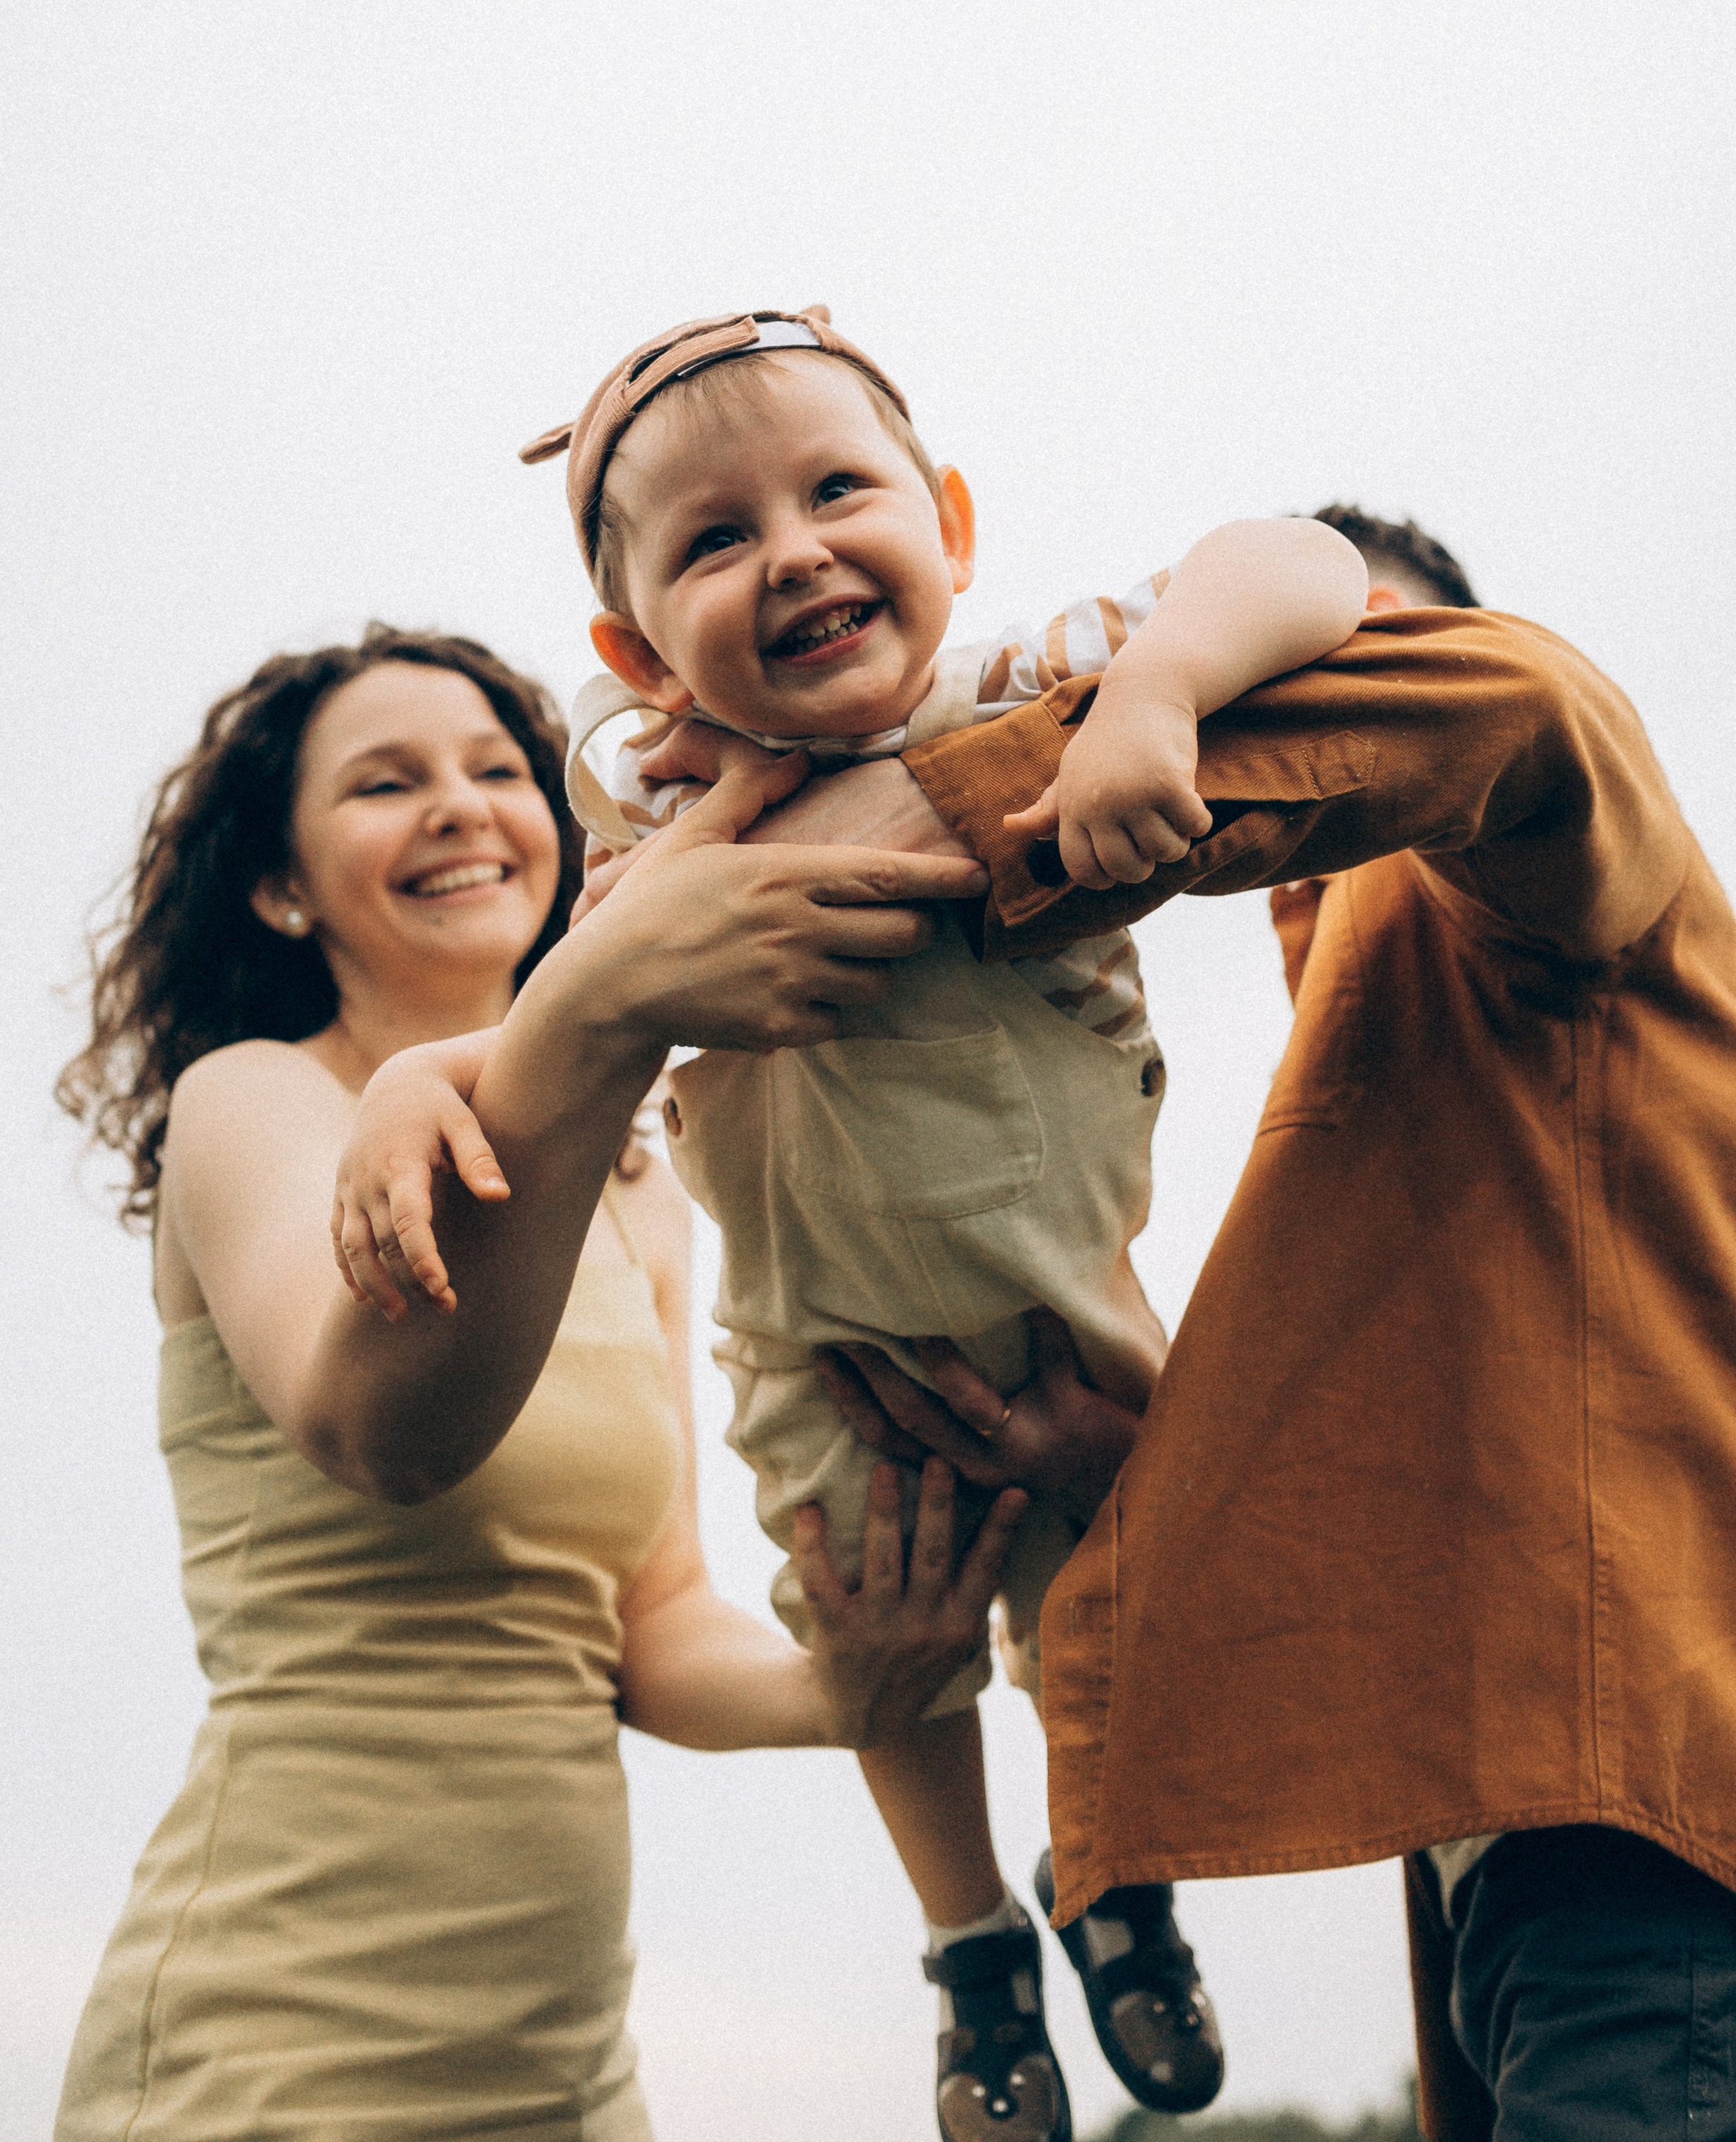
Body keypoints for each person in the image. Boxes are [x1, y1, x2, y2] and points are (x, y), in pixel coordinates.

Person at [332, 306, 1370, 2142]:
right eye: (715, 539)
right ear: (633, 646)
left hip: (1068, 1313)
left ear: (947, 518)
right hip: (823, 1349)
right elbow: (570, 1014)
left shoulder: (1021, 693)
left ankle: (1106, 1880)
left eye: (836, 490)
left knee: (1094, 1620)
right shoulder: (659, 825)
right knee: (880, 1637)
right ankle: (971, 1945)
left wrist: (1157, 694)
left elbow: (1306, 564)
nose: (793, 549)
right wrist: (430, 1080)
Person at [816, 504, 1736, 2142]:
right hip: (1563, 1898)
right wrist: (1132, 1462)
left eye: (1320, 664)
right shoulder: (1407, 1074)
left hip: (1669, 1885)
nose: (1259, 701)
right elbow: (1514, 1479)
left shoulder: (1554, 820)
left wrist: (865, 841)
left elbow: (1499, 706)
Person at [52, 622, 1015, 2142]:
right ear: (279, 884)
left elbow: (647, 1628)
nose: (456, 803)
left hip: (563, 2073)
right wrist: (607, 1007)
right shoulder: (249, 1104)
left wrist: (847, 1685)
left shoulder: (634, 1187)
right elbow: (383, 1431)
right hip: (267, 2048)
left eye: (498, 770)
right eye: (384, 782)